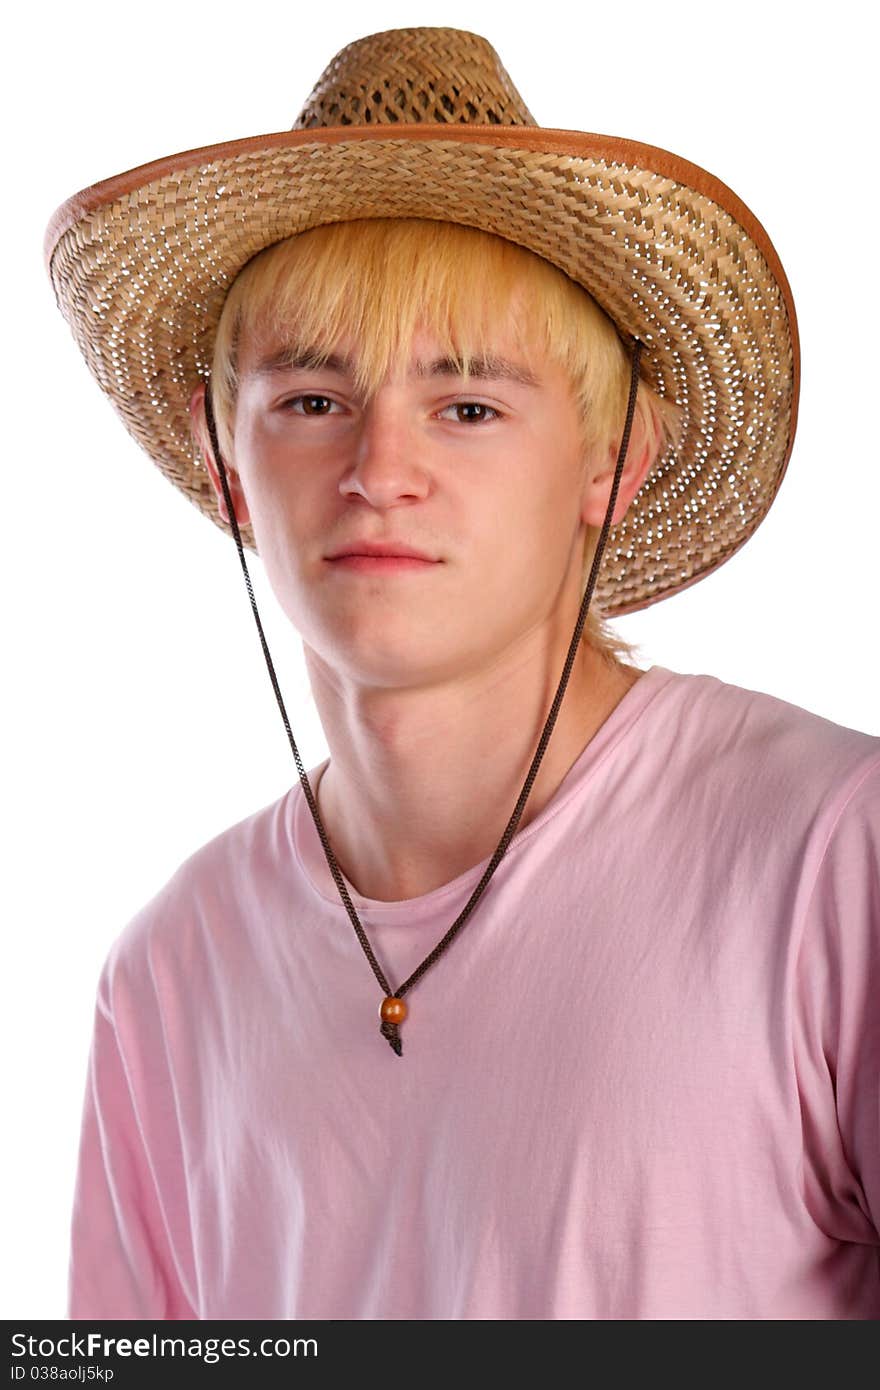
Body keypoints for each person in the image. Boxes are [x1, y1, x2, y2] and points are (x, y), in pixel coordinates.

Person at [45, 27, 879, 1320]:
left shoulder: (831, 855)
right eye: (312, 400)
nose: (381, 468)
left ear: (614, 464)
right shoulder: (168, 974)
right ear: (226, 464)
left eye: (469, 406)